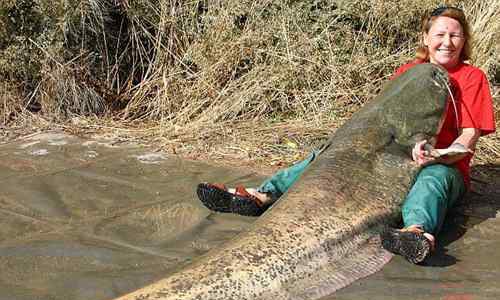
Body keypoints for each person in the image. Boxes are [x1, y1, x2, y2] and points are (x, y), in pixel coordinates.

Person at [196, 6, 496, 264]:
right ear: (426, 39)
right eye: (440, 35)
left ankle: (417, 232)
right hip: (394, 156)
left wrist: (439, 155)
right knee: (327, 156)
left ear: (464, 40)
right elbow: (379, 120)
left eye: (455, 35)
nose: (447, 42)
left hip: (444, 164)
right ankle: (264, 194)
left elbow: (468, 137)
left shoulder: (473, 78)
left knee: (432, 182)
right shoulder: (408, 71)